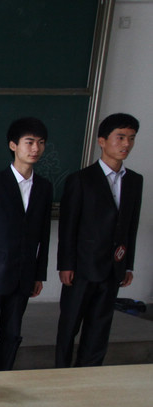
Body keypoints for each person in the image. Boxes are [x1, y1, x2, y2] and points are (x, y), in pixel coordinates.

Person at [55, 113, 142, 368]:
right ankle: (60, 373)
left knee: (100, 327)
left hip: (113, 267)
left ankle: (89, 374)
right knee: (70, 325)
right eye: (120, 137)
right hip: (81, 268)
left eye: (131, 138)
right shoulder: (81, 179)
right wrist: (65, 265)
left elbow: (131, 225)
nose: (126, 144)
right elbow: (68, 226)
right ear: (102, 141)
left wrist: (128, 264)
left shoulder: (135, 181)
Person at [0, 117, 52, 372]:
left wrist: (39, 274)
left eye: (40, 143)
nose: (35, 148)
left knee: (13, 332)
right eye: (29, 142)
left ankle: (4, 377)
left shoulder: (44, 188)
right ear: (13, 145)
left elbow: (44, 235)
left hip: (24, 274)